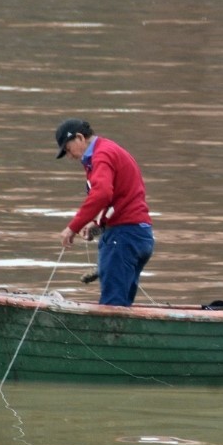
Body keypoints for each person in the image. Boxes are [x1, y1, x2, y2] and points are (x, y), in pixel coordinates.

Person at [55, 118, 154, 307]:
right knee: (122, 304)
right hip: (141, 235)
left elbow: (101, 194)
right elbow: (121, 196)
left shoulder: (102, 154)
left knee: (112, 305)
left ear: (79, 138)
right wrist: (98, 224)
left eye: (68, 149)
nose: (70, 156)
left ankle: (109, 335)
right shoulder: (107, 150)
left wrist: (72, 228)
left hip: (124, 238)